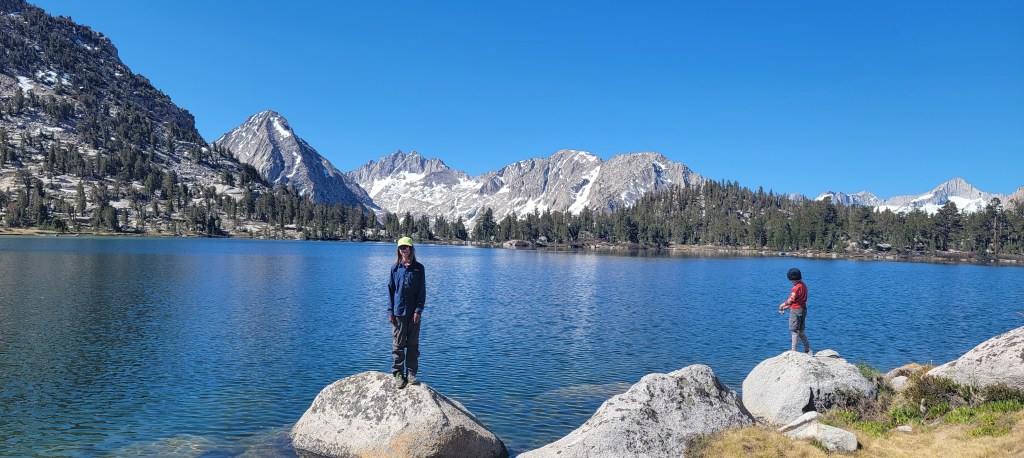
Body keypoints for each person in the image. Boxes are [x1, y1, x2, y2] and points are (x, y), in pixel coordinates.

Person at [388, 236, 426, 389]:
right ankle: (398, 374)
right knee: (398, 345)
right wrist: (390, 311)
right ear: (398, 250)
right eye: (402, 247)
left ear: (411, 249)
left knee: (413, 345)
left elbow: (422, 291)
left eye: (407, 247)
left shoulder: (419, 268)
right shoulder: (395, 268)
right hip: (398, 313)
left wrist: (418, 310)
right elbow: (390, 291)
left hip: (413, 314)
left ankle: (411, 373)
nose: (404, 250)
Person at [778, 267, 812, 354]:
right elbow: (798, 300)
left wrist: (783, 305)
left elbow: (791, 300)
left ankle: (794, 350)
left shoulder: (795, 288)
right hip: (803, 309)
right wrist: (787, 307)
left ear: (792, 279)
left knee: (794, 330)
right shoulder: (804, 285)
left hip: (795, 311)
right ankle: (808, 349)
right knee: (801, 331)